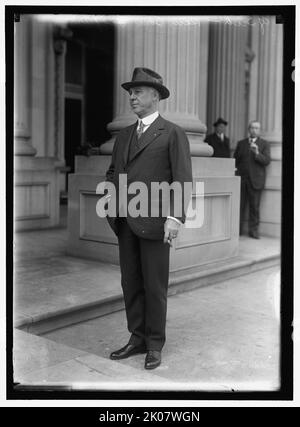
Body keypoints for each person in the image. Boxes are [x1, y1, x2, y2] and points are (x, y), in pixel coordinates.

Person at [105, 67, 193, 369]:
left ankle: (155, 344)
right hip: (125, 222)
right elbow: (113, 172)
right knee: (130, 282)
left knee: (154, 285)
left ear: (155, 96)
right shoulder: (126, 134)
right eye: (130, 92)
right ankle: (137, 337)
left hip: (156, 223)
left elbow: (182, 179)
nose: (131, 97)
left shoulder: (172, 133)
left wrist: (174, 218)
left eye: (138, 92)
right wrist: (112, 209)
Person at [234, 120, 271, 239]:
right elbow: (235, 160)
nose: (254, 130)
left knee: (254, 207)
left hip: (256, 181)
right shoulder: (241, 143)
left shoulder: (265, 144)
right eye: (252, 128)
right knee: (239, 206)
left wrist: (257, 153)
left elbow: (266, 161)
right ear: (249, 129)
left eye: (257, 128)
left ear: (259, 131)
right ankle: (237, 230)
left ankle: (253, 231)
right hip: (242, 180)